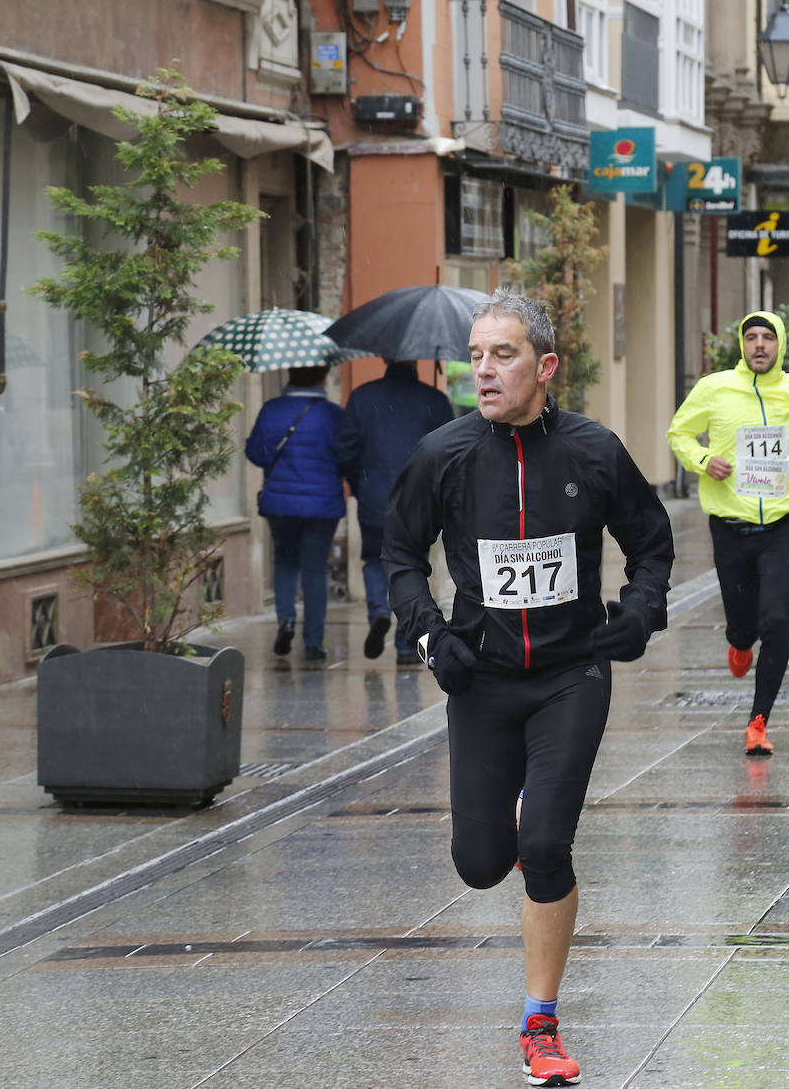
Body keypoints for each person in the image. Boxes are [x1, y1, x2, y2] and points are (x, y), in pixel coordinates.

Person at [382, 289, 674, 1088]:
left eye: (501, 355)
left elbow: (652, 544)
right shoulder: (443, 454)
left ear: (545, 366)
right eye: (474, 355)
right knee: (481, 863)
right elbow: (401, 553)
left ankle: (540, 1022)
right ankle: (511, 831)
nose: (482, 370)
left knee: (544, 844)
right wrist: (430, 634)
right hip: (481, 680)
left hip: (570, 676)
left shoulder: (594, 451)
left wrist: (638, 616)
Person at [667, 308, 789, 754]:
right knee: (742, 624)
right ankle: (738, 643)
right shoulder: (715, 388)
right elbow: (679, 433)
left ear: (780, 344)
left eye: (768, 337)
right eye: (752, 337)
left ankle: (758, 721)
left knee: (775, 621)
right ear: (742, 345)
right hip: (730, 525)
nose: (760, 345)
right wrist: (703, 461)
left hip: (782, 523)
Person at [335, 360, 455, 663]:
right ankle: (405, 642)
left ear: (386, 360)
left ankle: (378, 610)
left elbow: (345, 449)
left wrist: (358, 483)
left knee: (374, 559)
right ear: (415, 362)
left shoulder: (362, 397)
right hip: (419, 499)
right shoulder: (434, 400)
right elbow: (450, 452)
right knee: (411, 566)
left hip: (373, 494)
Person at [245, 365, 345, 661]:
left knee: (285, 561)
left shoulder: (271, 409)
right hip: (322, 505)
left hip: (281, 504)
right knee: (315, 569)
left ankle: (286, 620)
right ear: (323, 376)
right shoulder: (333, 415)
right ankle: (314, 642)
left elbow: (255, 453)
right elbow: (346, 455)